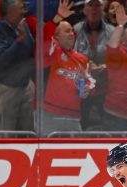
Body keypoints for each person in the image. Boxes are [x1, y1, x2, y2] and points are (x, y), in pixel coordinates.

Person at [41, 0, 95, 136]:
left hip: (73, 117)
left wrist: (88, 89)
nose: (72, 34)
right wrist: (57, 18)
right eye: (67, 31)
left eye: (72, 31)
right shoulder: (53, 53)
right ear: (57, 36)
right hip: (51, 115)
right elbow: (44, 36)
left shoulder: (82, 59)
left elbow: (90, 82)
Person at [0, 0, 35, 131]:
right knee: (7, 133)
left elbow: (31, 50)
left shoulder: (23, 26)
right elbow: (3, 59)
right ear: (10, 11)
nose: (24, 12)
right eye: (21, 8)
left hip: (25, 86)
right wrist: (19, 40)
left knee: (29, 132)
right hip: (6, 89)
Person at [73, 0, 115, 131]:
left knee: (108, 126)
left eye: (97, 5)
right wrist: (86, 66)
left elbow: (120, 58)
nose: (94, 9)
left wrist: (105, 66)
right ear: (84, 9)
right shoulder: (75, 29)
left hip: (105, 87)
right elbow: (69, 56)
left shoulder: (112, 31)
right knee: (81, 125)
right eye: (90, 5)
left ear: (103, 9)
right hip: (81, 88)